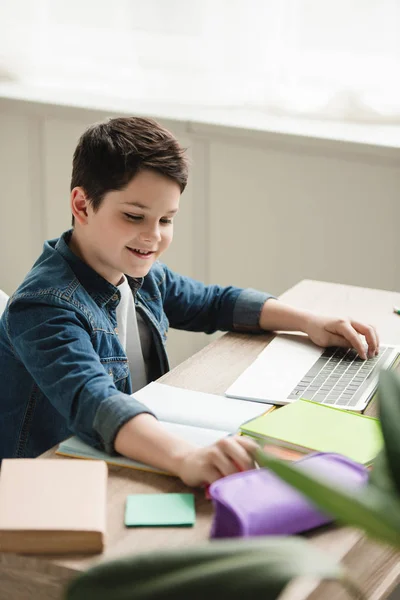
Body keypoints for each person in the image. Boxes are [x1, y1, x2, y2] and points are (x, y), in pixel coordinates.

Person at [0, 117, 379, 486]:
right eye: (135, 216)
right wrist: (186, 457)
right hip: (53, 479)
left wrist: (309, 322)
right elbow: (95, 402)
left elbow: (215, 303)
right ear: (82, 206)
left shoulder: (139, 272)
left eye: (166, 219)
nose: (153, 237)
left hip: (133, 446)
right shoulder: (44, 307)